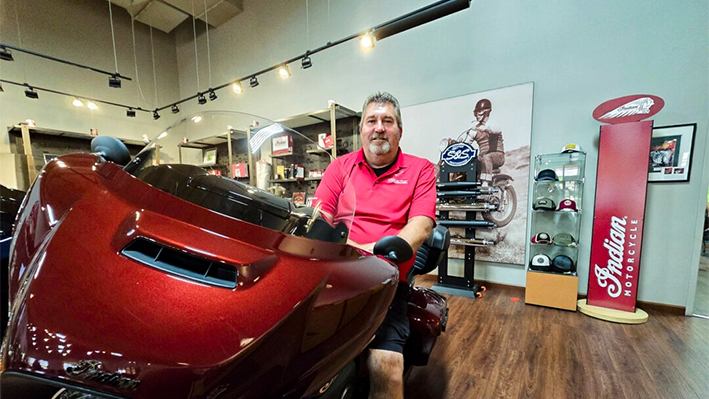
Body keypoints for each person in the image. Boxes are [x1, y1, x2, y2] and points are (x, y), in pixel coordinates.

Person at [312, 92, 437, 399]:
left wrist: (374, 252)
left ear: (399, 130)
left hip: (386, 277)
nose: (379, 127)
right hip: (336, 273)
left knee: (387, 366)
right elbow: (319, 217)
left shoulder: (421, 169)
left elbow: (420, 226)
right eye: (372, 121)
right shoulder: (340, 167)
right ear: (362, 129)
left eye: (387, 121)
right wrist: (348, 249)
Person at [457, 98, 505, 186]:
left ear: (486, 112)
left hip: (498, 156)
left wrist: (486, 128)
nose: (476, 115)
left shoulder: (493, 123)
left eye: (479, 112)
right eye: (476, 112)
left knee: (486, 157)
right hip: (483, 157)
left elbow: (496, 129)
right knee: (469, 161)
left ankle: (485, 184)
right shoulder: (475, 129)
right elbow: (466, 144)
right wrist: (458, 146)